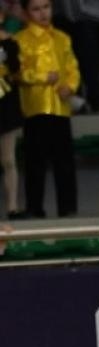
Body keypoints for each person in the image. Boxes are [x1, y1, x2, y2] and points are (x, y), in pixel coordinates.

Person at [14, 0, 77, 219]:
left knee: (64, 160)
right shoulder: (20, 40)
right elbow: (17, 73)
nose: (43, 13)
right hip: (36, 108)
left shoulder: (62, 38)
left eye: (46, 7)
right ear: (26, 13)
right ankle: (34, 207)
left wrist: (71, 86)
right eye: (36, 9)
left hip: (60, 107)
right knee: (35, 161)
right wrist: (42, 77)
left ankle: (68, 208)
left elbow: (72, 67)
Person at [0, 12, 24, 219]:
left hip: (5, 105)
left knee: (8, 159)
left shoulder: (11, 44)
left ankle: (13, 207)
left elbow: (17, 72)